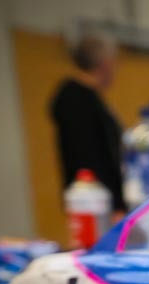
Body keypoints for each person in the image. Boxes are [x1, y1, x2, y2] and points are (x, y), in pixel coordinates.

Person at [50, 34, 127, 216]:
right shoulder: (76, 100)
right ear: (105, 64)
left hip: (101, 199)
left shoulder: (92, 99)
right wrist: (115, 205)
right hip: (95, 202)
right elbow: (91, 157)